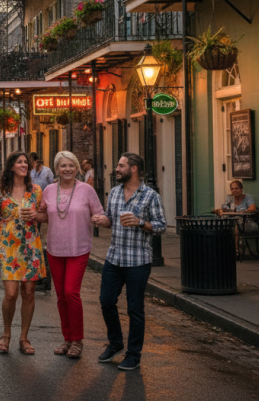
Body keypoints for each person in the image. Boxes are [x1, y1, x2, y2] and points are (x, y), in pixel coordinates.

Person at [91, 152, 167, 371]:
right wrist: (102, 220)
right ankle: (115, 343)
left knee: (135, 309)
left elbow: (161, 225)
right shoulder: (114, 192)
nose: (116, 168)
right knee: (106, 301)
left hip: (138, 261)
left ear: (133, 168)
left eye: (121, 165)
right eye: (117, 164)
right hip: (114, 258)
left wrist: (140, 222)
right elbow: (110, 219)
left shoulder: (151, 195)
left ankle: (134, 354)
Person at [0, 152, 47, 355]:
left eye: (26, 162)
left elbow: (46, 216)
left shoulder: (35, 190)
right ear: (11, 166)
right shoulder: (0, 190)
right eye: (19, 162)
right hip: (8, 247)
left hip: (30, 246)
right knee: (11, 294)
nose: (24, 164)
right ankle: (6, 333)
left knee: (28, 293)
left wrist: (37, 215)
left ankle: (24, 338)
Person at [42, 151, 104, 359]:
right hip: (55, 249)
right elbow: (43, 214)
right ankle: (67, 339)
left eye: (71, 165)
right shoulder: (49, 190)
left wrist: (98, 219)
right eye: (63, 166)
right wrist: (33, 214)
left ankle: (77, 340)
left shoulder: (86, 190)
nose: (67, 169)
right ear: (57, 169)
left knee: (71, 292)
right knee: (60, 296)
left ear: (77, 168)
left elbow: (101, 214)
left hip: (78, 248)